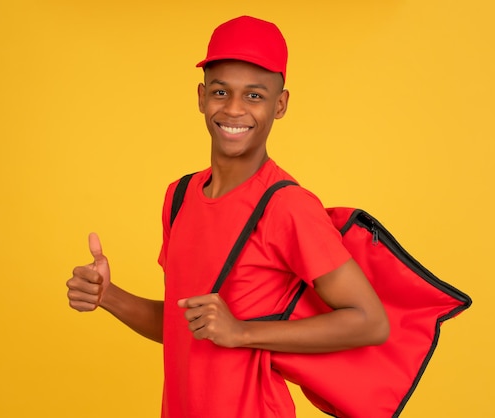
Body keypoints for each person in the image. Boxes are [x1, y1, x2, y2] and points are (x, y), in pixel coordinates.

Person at [66, 16, 389, 418]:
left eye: (254, 96)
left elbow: (371, 322)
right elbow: (186, 329)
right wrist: (107, 297)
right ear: (201, 97)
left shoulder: (286, 206)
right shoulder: (179, 197)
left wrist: (243, 332)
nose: (234, 109)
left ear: (280, 104)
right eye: (221, 91)